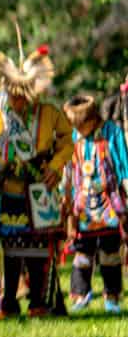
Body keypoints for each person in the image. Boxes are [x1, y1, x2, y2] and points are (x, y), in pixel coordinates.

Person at [0, 41, 73, 319]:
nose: (19, 101)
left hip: (41, 188)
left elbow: (67, 141)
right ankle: (6, 302)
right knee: (6, 246)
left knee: (40, 244)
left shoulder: (49, 113)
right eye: (14, 95)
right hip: (3, 188)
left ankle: (39, 302)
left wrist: (55, 165)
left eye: (24, 96)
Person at [61, 94, 128, 313]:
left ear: (92, 120)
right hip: (83, 206)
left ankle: (112, 297)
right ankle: (81, 295)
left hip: (110, 203)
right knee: (82, 254)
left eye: (80, 127)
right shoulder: (74, 137)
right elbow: (68, 169)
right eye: (75, 127)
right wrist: (66, 195)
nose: (78, 131)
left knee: (110, 253)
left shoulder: (112, 133)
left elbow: (123, 167)